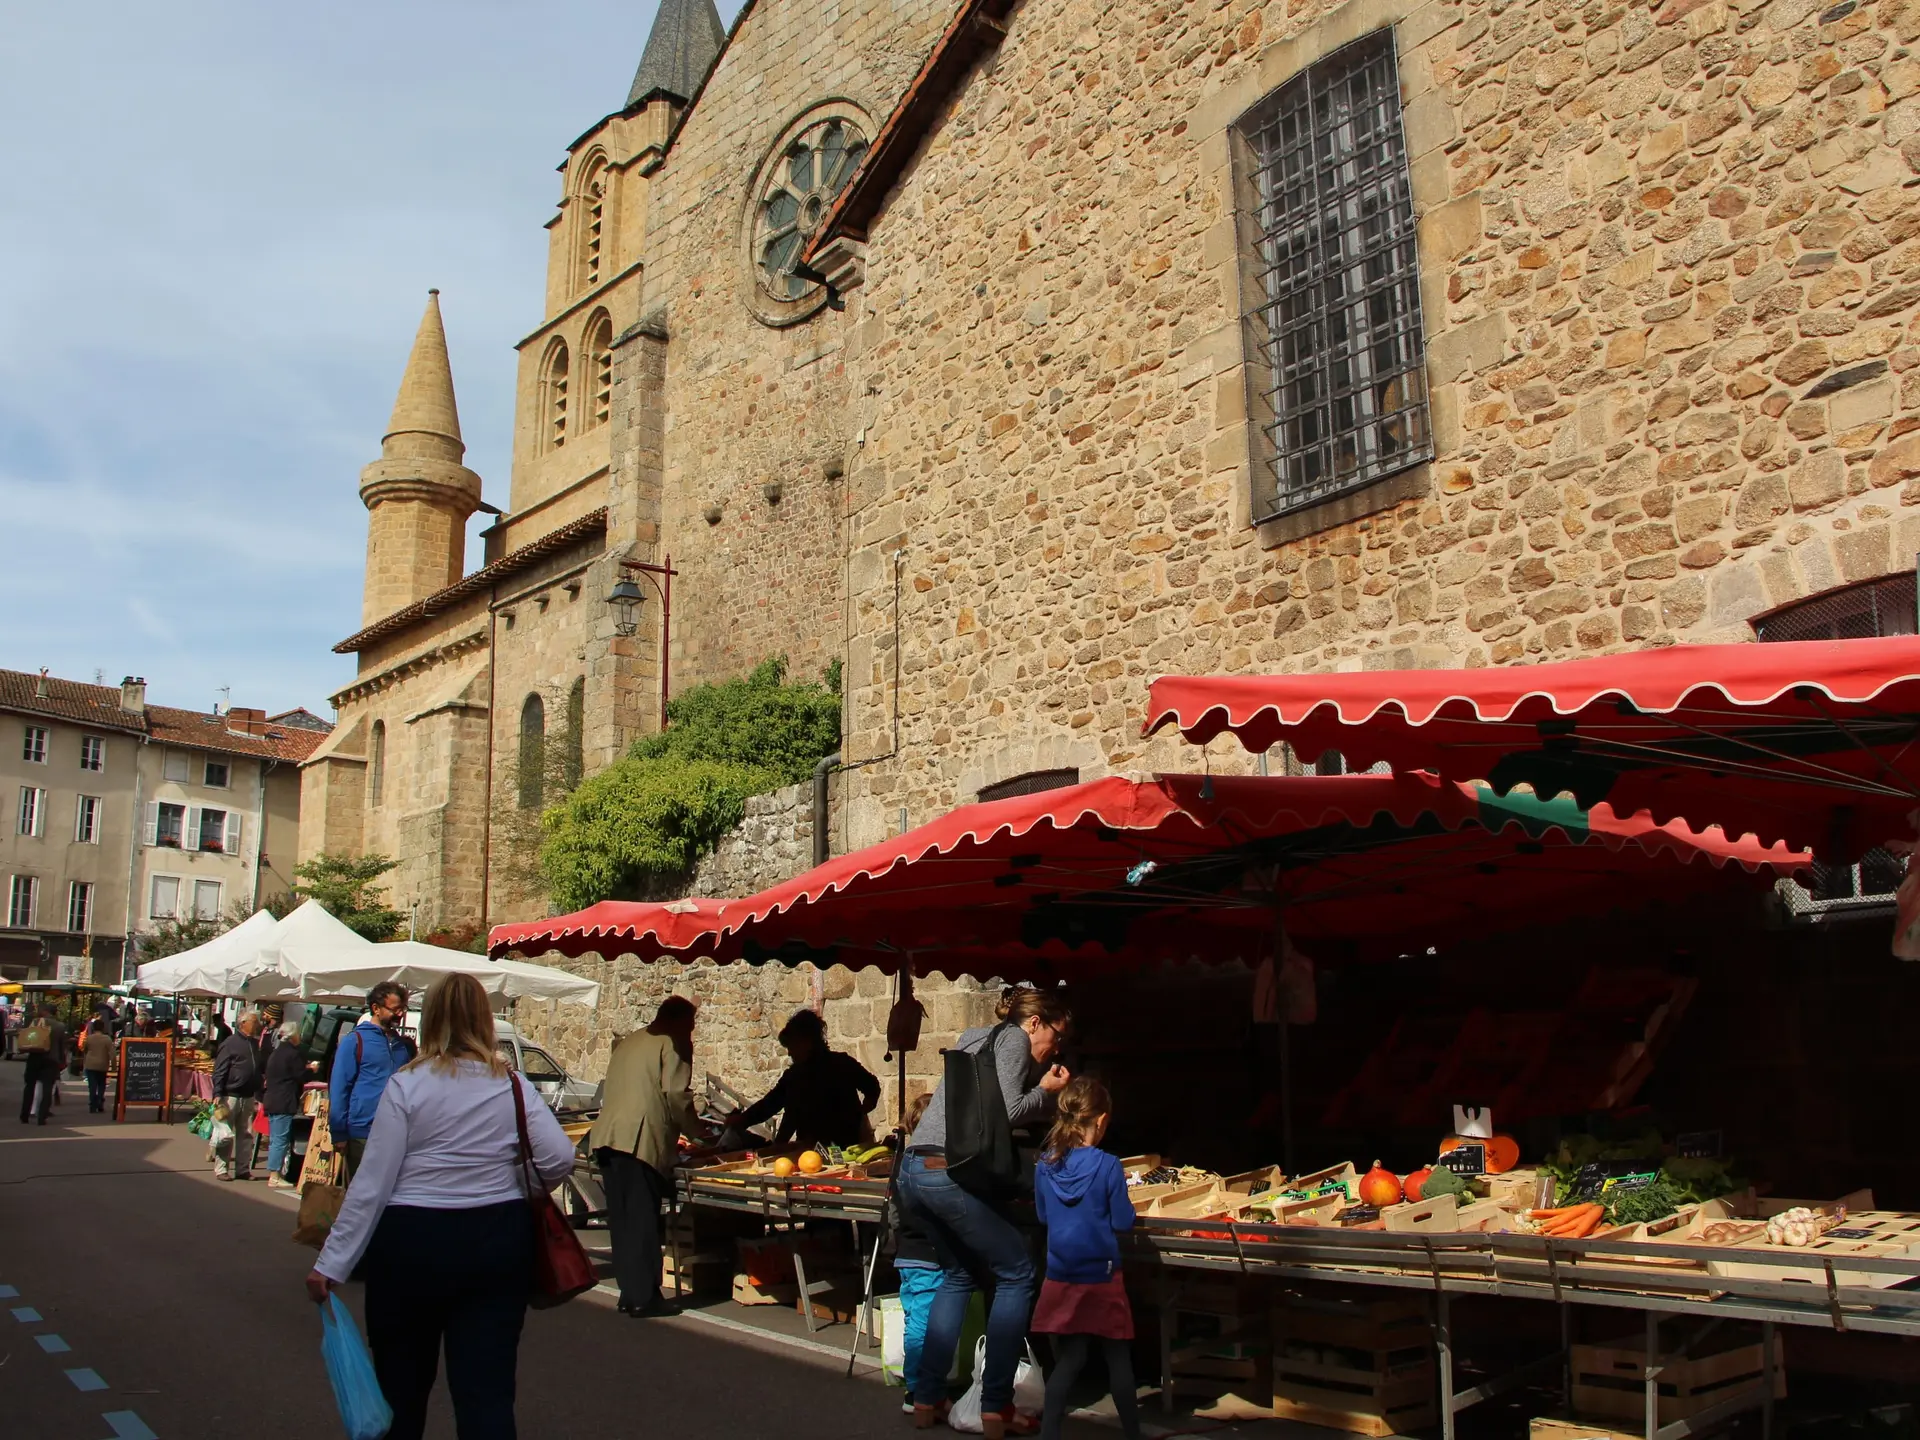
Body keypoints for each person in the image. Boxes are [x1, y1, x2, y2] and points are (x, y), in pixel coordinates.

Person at [305, 972, 573, 1440]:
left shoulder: (408, 1084)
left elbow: (373, 1183)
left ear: (427, 1021)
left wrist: (332, 1263)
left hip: (412, 1239)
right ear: (485, 1021)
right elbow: (559, 1157)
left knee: (401, 1390)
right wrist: (509, 1183)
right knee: (486, 1393)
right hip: (495, 1236)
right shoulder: (510, 1086)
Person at [898, 986, 1073, 1440]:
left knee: (958, 1273)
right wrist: (1046, 1091)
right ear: (1035, 1022)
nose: (1055, 1047)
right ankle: (996, 1405)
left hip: (913, 1168)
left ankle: (927, 1396)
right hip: (942, 1171)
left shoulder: (976, 1035)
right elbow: (1009, 1110)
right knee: (1016, 1272)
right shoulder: (1015, 1040)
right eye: (1056, 1036)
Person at [1032, 1077, 1140, 1440]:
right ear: (1102, 1120)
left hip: (1061, 1274)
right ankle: (1133, 1434)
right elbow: (1123, 1221)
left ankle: (1049, 1432)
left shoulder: (1044, 1165)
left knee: (1071, 1359)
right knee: (1117, 1357)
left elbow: (1044, 1217)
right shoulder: (1108, 1165)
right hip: (1102, 1274)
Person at [588, 996, 703, 1318]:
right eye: (692, 1023)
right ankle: (644, 1297)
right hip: (640, 1140)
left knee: (622, 1220)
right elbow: (676, 1094)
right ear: (679, 1021)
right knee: (642, 1220)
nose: (694, 1030)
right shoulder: (674, 1043)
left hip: (608, 1136)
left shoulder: (630, 1042)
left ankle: (629, 1291)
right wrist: (698, 1132)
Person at [732, 1008, 882, 1149]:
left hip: (844, 1149)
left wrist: (862, 1114)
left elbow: (872, 1087)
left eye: (793, 1046)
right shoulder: (796, 1075)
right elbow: (771, 1104)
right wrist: (743, 1120)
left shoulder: (838, 1065)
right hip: (812, 1152)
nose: (790, 1053)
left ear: (807, 1042)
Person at [329, 982, 411, 1179]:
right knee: (361, 1194)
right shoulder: (354, 1041)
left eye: (403, 1009)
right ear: (376, 1008)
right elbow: (340, 1088)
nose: (399, 1014)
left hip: (396, 1133)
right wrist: (339, 1133)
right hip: (362, 1132)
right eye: (395, 1009)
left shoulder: (405, 1047)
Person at [892, 1092, 941, 1413]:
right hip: (926, 1254)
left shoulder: (903, 1162)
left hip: (907, 1252)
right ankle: (917, 1388)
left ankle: (919, 1381)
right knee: (922, 1321)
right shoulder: (931, 1163)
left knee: (914, 1317)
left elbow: (896, 1215)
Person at [212, 1011, 264, 1180]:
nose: (257, 1025)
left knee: (247, 1133)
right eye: (254, 1022)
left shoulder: (254, 1043)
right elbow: (219, 1069)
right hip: (231, 1095)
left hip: (248, 1095)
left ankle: (243, 1169)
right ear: (243, 1023)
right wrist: (217, 1092)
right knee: (226, 1134)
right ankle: (221, 1169)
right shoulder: (230, 1043)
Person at [263, 1019, 312, 1189]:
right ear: (293, 1036)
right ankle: (274, 1175)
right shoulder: (292, 1053)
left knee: (276, 1138)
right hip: (284, 1100)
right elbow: (301, 1076)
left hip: (272, 1098)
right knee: (280, 1139)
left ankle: (275, 1173)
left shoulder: (276, 1052)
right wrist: (311, 1069)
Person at [17, 1005, 68, 1125]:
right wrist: (61, 1060)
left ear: (45, 1011)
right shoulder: (60, 1026)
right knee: (47, 1088)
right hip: (51, 1060)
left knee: (29, 1086)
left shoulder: (35, 1022)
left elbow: (28, 1037)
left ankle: (25, 1114)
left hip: (34, 1057)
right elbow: (62, 1046)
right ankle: (42, 1116)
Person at [81, 1015, 114, 1113]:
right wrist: (114, 1067)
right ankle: (100, 1100)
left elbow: (85, 1050)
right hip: (102, 1064)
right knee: (101, 1084)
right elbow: (112, 1054)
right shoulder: (107, 1039)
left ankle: (92, 1104)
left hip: (90, 1064)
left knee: (92, 1085)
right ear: (103, 1027)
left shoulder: (89, 1038)